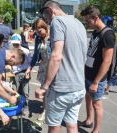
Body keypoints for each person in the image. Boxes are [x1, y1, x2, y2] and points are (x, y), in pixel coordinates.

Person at [36, 1, 88, 133]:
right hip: (78, 86)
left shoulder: (57, 22)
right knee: (72, 125)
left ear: (51, 11)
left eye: (47, 18)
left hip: (61, 89)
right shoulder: (78, 23)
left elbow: (56, 56)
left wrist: (45, 86)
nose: (48, 22)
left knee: (54, 126)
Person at [80, 5, 115, 133]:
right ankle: (89, 120)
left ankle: (96, 130)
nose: (87, 23)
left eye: (88, 20)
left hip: (97, 79)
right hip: (89, 73)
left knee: (97, 104)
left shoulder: (107, 35)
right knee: (88, 98)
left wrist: (96, 82)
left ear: (96, 18)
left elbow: (107, 61)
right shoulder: (95, 32)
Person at [25, 18, 51, 121]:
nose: (38, 33)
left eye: (39, 31)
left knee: (53, 91)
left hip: (53, 67)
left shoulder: (53, 37)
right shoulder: (38, 39)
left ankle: (52, 112)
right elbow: (36, 55)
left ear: (45, 27)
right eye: (37, 31)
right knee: (43, 90)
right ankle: (45, 110)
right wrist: (30, 67)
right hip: (43, 66)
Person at [10, 33, 31, 115]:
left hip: (24, 72)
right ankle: (19, 106)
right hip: (15, 74)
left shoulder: (26, 51)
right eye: (14, 44)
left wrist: (28, 70)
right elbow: (8, 63)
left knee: (25, 91)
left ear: (21, 42)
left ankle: (26, 106)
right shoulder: (11, 52)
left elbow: (30, 63)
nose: (15, 45)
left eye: (17, 44)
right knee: (17, 91)